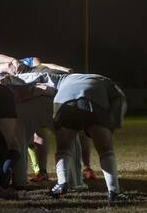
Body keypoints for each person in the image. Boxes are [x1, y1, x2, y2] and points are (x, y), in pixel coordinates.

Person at [9, 72, 127, 202]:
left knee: (63, 148)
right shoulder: (106, 80)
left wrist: (11, 78)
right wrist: (112, 126)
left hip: (64, 101)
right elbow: (119, 100)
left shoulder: (62, 77)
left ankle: (62, 183)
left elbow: (39, 76)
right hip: (92, 97)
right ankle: (114, 191)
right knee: (105, 150)